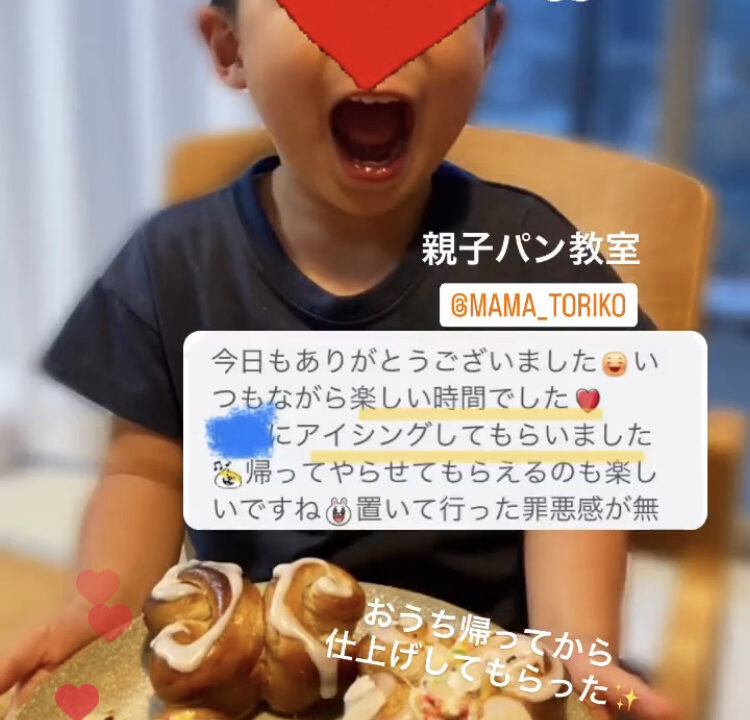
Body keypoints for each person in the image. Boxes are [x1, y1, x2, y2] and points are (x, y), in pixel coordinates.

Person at [0, 1, 679, 718]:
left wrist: (575, 647)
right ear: (230, 48)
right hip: (253, 674)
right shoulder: (173, 265)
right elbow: (144, 471)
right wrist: (99, 612)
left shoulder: (532, 262)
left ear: (489, 42)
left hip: (473, 676)